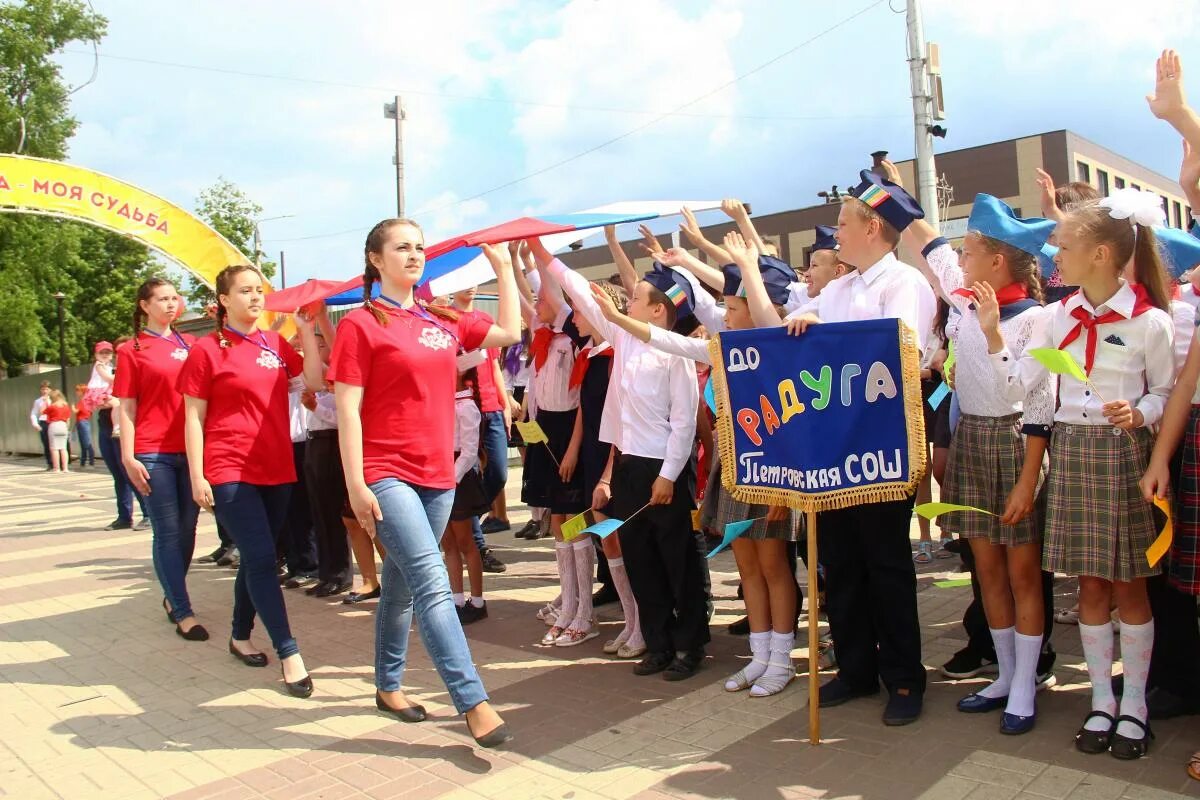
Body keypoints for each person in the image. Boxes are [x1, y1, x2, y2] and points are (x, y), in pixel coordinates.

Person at [992, 189, 1175, 759]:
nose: (1053, 256)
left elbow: (1169, 392)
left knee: (1130, 585)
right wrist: (996, 338)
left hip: (1124, 455)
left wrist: (1139, 411)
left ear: (1100, 254)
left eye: (1063, 245)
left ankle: (1136, 704)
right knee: (1089, 584)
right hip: (1070, 455)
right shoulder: (1053, 316)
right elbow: (1022, 388)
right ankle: (1101, 700)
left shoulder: (1151, 323)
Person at [329, 218, 518, 747]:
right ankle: (473, 703)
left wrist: (503, 271)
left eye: (419, 248)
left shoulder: (442, 317)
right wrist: (356, 486)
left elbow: (509, 333)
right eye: (401, 248)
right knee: (433, 582)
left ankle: (387, 686)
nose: (414, 255)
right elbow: (348, 410)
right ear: (375, 258)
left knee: (401, 586)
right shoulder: (360, 325)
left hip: (438, 474)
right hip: (385, 472)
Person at [597, 232, 801, 696]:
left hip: (776, 473)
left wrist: (715, 260)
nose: (721, 316)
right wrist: (618, 313)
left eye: (731, 308)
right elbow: (667, 338)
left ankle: (782, 658)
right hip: (736, 468)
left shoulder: (784, 347)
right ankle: (761, 654)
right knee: (749, 566)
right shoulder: (724, 348)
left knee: (774, 566)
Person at [775, 169, 936, 726]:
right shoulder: (838, 289)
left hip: (881, 450)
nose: (834, 235)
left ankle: (904, 678)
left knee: (885, 564)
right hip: (833, 455)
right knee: (840, 563)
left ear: (872, 227)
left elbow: (899, 353)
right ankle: (855, 667)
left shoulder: (905, 285)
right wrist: (802, 324)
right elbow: (798, 323)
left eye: (842, 224)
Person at [903, 193, 1056, 735]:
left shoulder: (1040, 319)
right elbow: (930, 244)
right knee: (986, 568)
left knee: (1022, 572)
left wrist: (1026, 481)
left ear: (997, 262)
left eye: (970, 252)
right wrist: (884, 194)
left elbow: (1037, 404)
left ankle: (1026, 681)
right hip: (971, 440)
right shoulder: (966, 298)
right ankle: (1006, 671)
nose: (959, 261)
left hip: (1017, 444)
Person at [536, 238, 710, 681]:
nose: (626, 300)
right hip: (631, 467)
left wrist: (669, 476)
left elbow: (684, 424)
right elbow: (578, 291)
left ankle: (689, 645)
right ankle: (658, 642)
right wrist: (542, 254)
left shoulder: (676, 354)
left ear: (657, 311)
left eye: (635, 298)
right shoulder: (625, 341)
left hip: (664, 469)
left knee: (677, 559)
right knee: (639, 558)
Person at [178, 264, 327, 698]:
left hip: (277, 466)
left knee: (257, 557)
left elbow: (314, 381)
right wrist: (197, 473)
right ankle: (289, 653)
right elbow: (193, 415)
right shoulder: (207, 350)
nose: (255, 298)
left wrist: (306, 328)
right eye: (244, 291)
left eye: (258, 291)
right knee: (263, 557)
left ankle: (239, 636)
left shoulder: (275, 343)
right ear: (224, 300)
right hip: (229, 466)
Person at [114, 277, 207, 642]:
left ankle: (173, 595)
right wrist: (127, 456)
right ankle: (183, 610)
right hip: (153, 452)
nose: (171, 304)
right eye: (162, 299)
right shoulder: (131, 349)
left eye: (175, 298)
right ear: (145, 306)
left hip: (191, 450)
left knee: (188, 529)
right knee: (167, 531)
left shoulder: (192, 343)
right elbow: (126, 406)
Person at [450, 285, 510, 574]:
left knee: (498, 473)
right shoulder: (445, 321)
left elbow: (495, 365)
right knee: (468, 480)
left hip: (490, 408)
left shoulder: (485, 321)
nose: (469, 286)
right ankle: (477, 546)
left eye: (473, 280)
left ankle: (468, 517)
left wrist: (505, 403)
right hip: (460, 408)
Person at [301, 327, 354, 599]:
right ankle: (325, 571)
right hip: (313, 443)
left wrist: (315, 407)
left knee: (334, 512)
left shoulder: (338, 378)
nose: (316, 351)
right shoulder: (310, 378)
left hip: (332, 442)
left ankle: (341, 573)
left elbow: (342, 418)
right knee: (318, 512)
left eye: (320, 346)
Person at [444, 365, 491, 623]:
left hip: (456, 478)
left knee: (465, 543)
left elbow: (470, 451)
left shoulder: (467, 406)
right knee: (447, 542)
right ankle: (456, 599)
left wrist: (450, 480)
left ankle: (478, 600)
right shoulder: (440, 401)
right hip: (439, 472)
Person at [82, 341, 115, 414]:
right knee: (116, 404)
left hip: (108, 389)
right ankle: (116, 424)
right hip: (99, 390)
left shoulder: (111, 366)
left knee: (115, 405)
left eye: (107, 352)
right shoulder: (99, 365)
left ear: (111, 355)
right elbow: (108, 378)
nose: (104, 355)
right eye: (101, 352)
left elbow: (114, 375)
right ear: (96, 355)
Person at [44, 390, 72, 473]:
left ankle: (57, 468)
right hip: (63, 426)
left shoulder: (52, 406)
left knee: (54, 448)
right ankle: (65, 468)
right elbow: (68, 419)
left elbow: (43, 412)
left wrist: (46, 401)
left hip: (54, 426)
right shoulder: (66, 405)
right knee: (63, 448)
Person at [30, 381, 52, 469]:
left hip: (53, 422)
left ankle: (59, 463)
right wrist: (35, 424)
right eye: (43, 389)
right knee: (46, 443)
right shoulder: (38, 401)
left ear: (50, 390)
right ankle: (50, 463)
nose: (44, 391)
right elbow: (34, 413)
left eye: (46, 389)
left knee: (55, 443)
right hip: (43, 422)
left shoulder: (53, 399)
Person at [73, 384, 96, 468]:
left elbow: (76, 411)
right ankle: (83, 463)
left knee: (86, 443)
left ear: (82, 392)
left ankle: (90, 462)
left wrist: (72, 407)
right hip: (83, 422)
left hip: (82, 422)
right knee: (84, 443)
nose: (76, 392)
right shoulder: (87, 401)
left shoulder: (83, 401)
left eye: (77, 390)